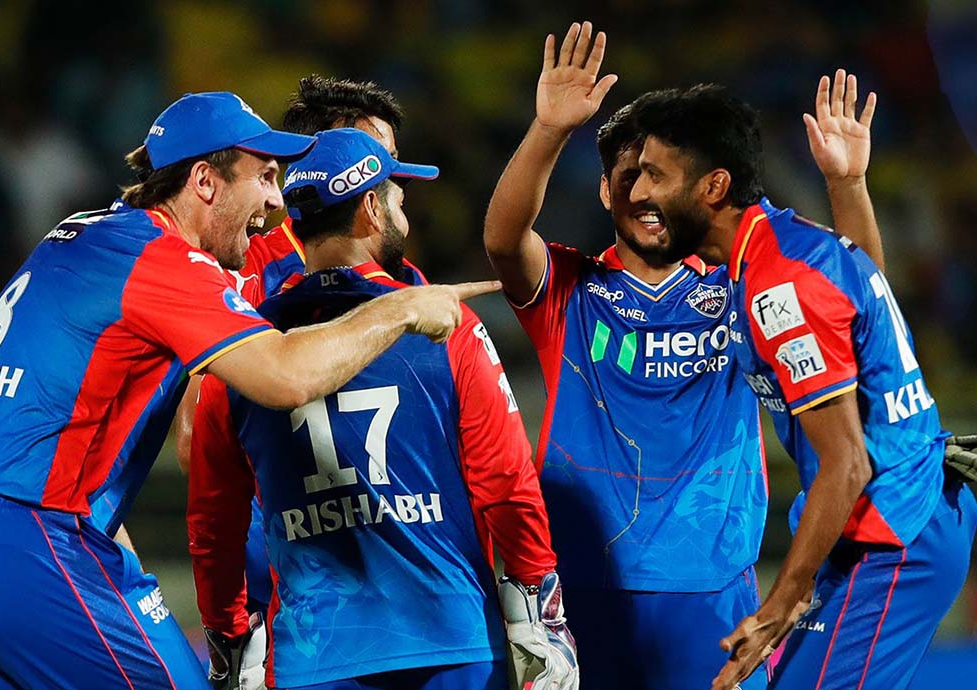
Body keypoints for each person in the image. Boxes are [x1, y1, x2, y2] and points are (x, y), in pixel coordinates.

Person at [0, 92, 494, 690]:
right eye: (265, 177)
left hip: (20, 538)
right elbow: (285, 376)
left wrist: (109, 550)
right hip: (32, 540)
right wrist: (400, 308)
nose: (276, 200)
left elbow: (55, 432)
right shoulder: (161, 259)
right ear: (204, 181)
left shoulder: (84, 236)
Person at [484, 21, 885, 690]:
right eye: (629, 178)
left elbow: (856, 298)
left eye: (658, 177)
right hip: (585, 584)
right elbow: (504, 239)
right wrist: (549, 129)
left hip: (713, 586)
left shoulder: (738, 285)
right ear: (606, 191)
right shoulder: (570, 291)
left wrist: (847, 184)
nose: (645, 195)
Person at [188, 127, 578, 690]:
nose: (406, 219)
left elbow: (215, 523)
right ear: (372, 209)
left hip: (315, 659)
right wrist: (538, 605)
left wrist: (228, 632)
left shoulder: (242, 353)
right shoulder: (446, 326)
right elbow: (506, 483)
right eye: (399, 201)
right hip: (452, 647)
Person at [623, 84, 977, 690]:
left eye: (655, 175)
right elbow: (860, 299)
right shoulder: (784, 245)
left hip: (894, 530)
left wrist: (780, 604)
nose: (639, 193)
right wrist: (848, 184)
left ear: (713, 186)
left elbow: (847, 463)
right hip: (882, 522)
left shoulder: (777, 282)